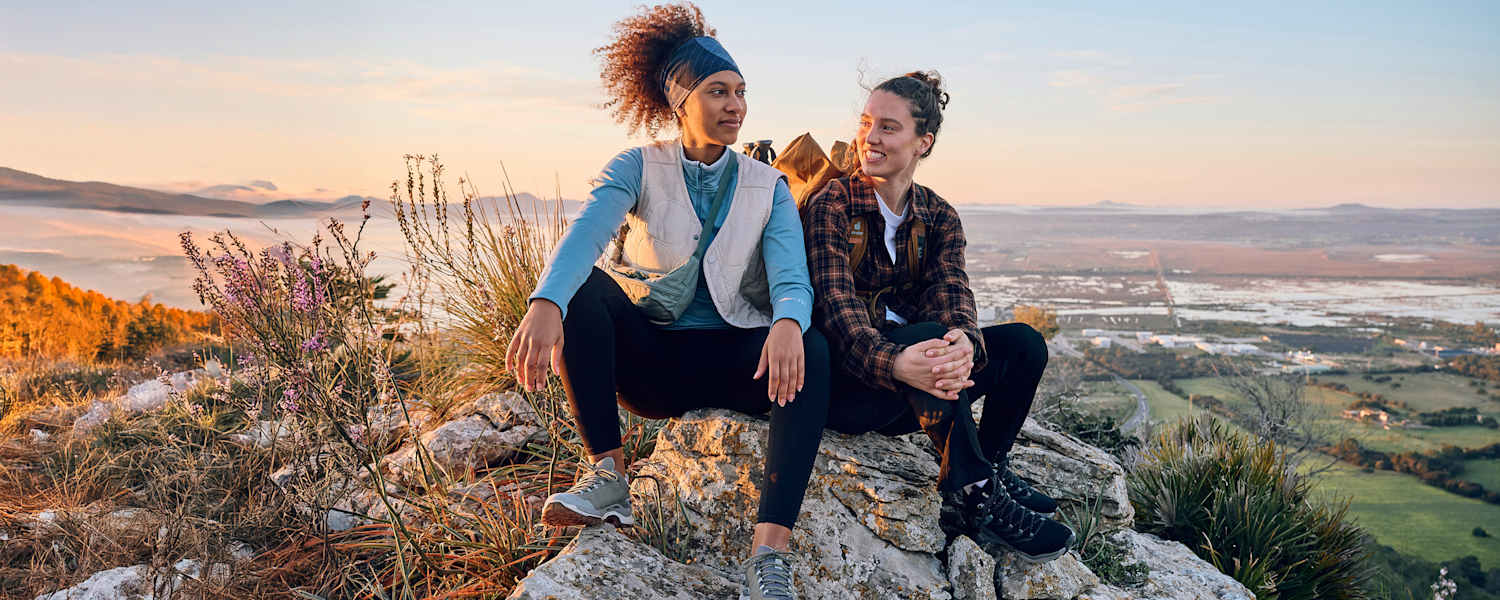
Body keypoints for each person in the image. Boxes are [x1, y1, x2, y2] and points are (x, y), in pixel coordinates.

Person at [505, 4, 824, 598]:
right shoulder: (636, 166)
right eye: (718, 92)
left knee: (815, 346)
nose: (736, 106)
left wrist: (787, 322)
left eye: (741, 92)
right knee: (583, 290)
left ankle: (768, 555)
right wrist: (546, 301)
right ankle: (609, 476)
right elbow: (587, 235)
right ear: (681, 102)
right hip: (654, 366)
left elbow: (792, 278)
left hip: (740, 364)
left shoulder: (768, 185)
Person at [804, 71, 1075, 563]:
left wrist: (965, 339)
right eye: (867, 123)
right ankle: (972, 494)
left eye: (888, 127)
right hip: (852, 390)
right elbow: (834, 314)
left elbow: (951, 290)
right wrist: (896, 362)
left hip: (921, 384)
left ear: (922, 141)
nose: (870, 137)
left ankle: (988, 464)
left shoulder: (939, 215)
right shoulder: (834, 204)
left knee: (1022, 344)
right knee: (929, 338)